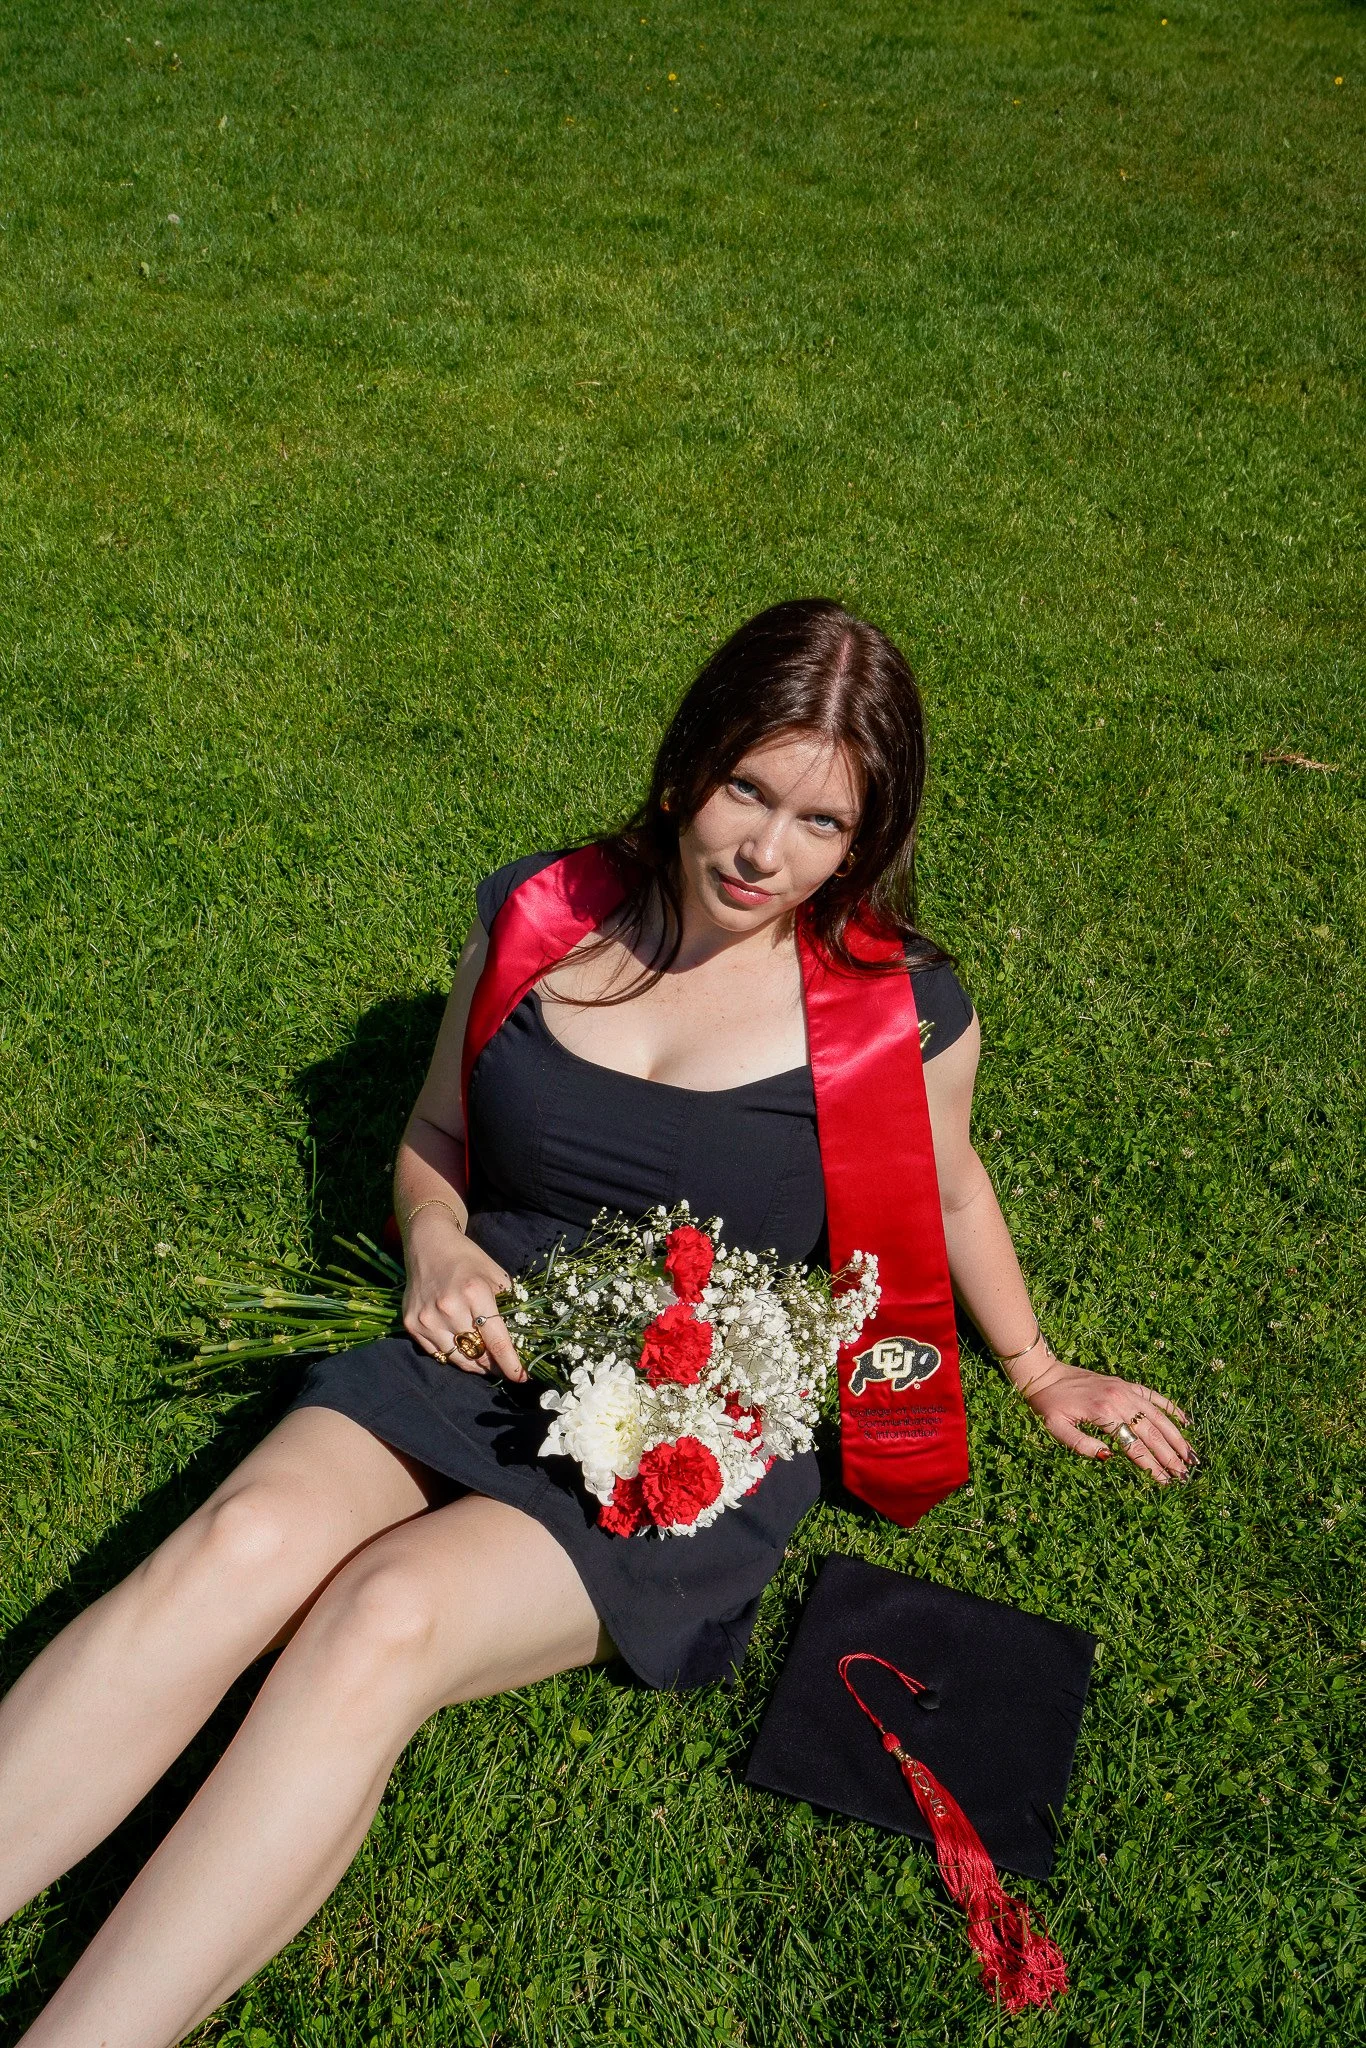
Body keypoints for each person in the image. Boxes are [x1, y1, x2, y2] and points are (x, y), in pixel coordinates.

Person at [0, 599, 1194, 2047]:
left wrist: (1037, 1364)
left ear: (864, 840)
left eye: (821, 823)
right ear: (689, 764)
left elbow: (945, 1193)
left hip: (695, 1420)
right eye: (748, 791)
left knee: (377, 1623)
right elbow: (436, 1127)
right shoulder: (541, 915)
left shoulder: (894, 1011)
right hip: (476, 1343)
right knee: (238, 1547)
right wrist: (434, 1238)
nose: (765, 852)